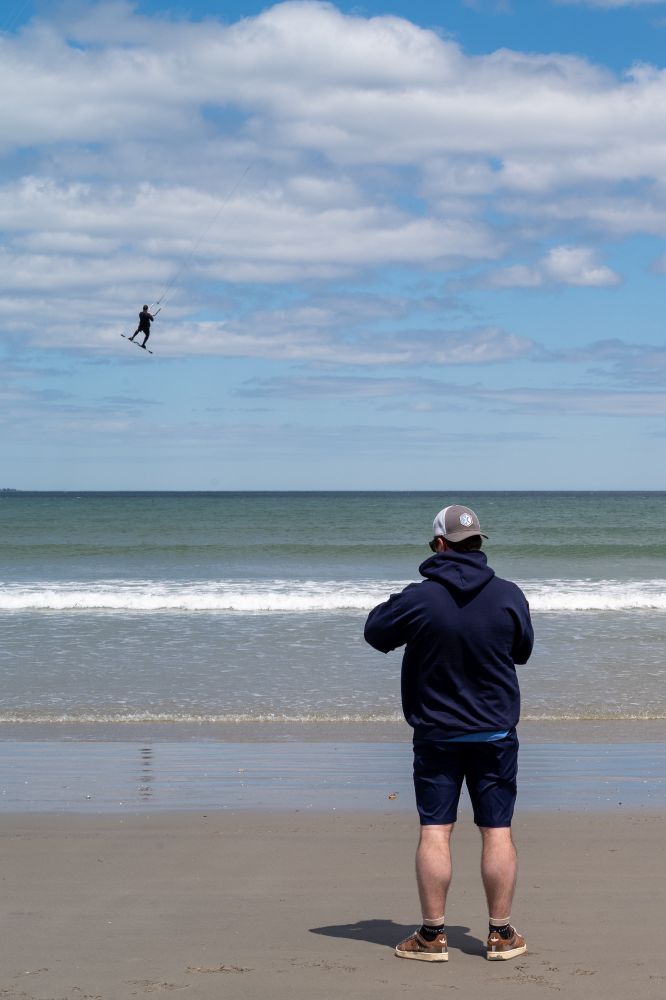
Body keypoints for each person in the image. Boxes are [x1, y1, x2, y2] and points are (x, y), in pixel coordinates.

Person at [364, 504, 534, 963]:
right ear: (479, 543)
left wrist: (410, 598)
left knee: (435, 830)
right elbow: (523, 650)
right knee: (497, 831)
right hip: (495, 732)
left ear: (439, 545)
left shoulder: (420, 597)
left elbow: (374, 632)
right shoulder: (508, 594)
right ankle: (500, 935)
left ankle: (432, 936)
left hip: (438, 735)